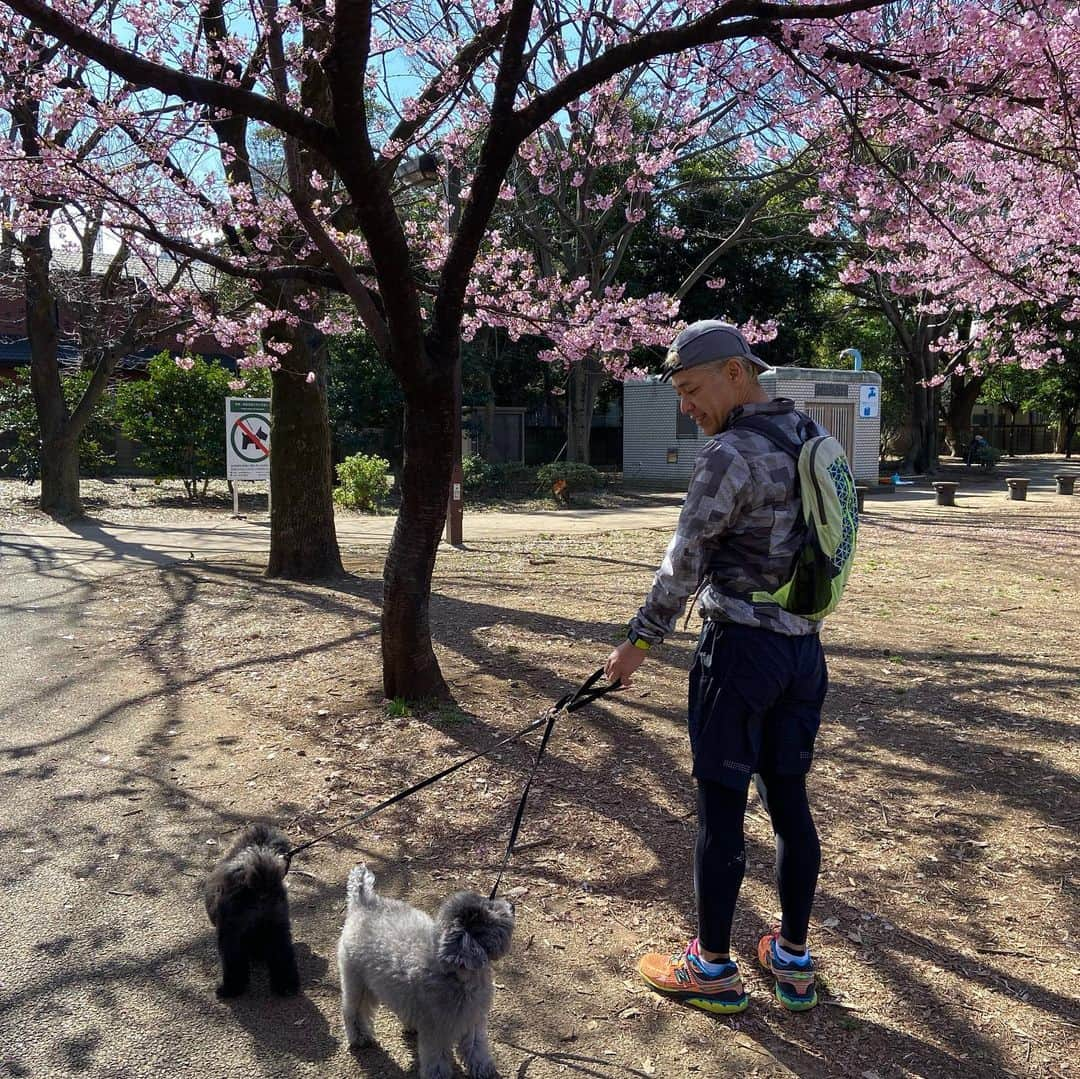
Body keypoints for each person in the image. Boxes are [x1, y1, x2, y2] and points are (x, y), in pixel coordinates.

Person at [604, 320, 829, 1015]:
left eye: (693, 389)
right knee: (789, 803)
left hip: (738, 654)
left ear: (736, 372)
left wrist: (637, 642)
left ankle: (711, 966)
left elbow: (684, 561)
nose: (687, 407)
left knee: (722, 809)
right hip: (802, 652)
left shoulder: (728, 454)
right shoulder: (810, 437)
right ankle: (792, 958)